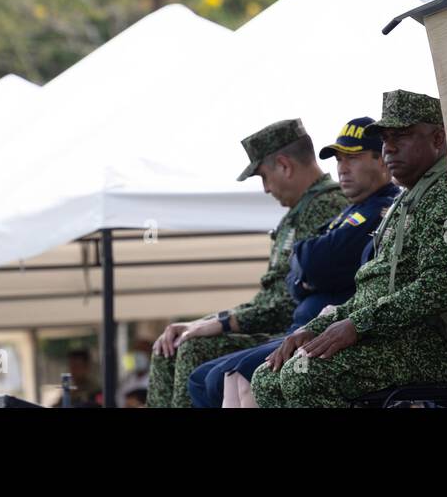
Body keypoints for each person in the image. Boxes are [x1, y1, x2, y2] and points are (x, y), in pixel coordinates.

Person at [250, 91, 447, 407]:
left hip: (428, 345)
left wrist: (358, 325)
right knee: (267, 376)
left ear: (438, 138)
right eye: (385, 138)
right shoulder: (407, 199)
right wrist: (313, 328)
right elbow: (371, 291)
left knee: (304, 373)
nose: (388, 147)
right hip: (388, 337)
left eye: (400, 136)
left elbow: (440, 287)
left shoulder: (446, 193)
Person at [188, 117, 398, 408]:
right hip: (303, 330)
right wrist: (306, 271)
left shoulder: (381, 208)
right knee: (203, 376)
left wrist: (307, 270)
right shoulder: (349, 212)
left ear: (382, 160)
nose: (342, 168)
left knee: (232, 375)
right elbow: (300, 269)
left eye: (353, 158)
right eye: (339, 160)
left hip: (331, 333)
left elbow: (317, 264)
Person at [146, 118, 347, 407]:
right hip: (282, 330)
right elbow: (270, 297)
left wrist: (223, 323)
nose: (266, 189)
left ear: (285, 165)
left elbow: (288, 302)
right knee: (170, 346)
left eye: (264, 176)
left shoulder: (326, 206)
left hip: (298, 332)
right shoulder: (301, 212)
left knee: (192, 348)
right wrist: (204, 322)